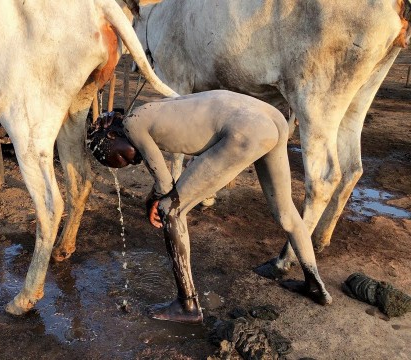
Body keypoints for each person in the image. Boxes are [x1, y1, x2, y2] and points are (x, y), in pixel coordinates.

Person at [89, 90, 332, 324]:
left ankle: (187, 305)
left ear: (111, 135)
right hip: (268, 117)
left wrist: (151, 200)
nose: (130, 163)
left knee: (171, 210)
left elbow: (164, 186)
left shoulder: (133, 123)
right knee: (285, 210)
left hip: (243, 129)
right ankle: (314, 284)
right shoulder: (151, 110)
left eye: (119, 158)